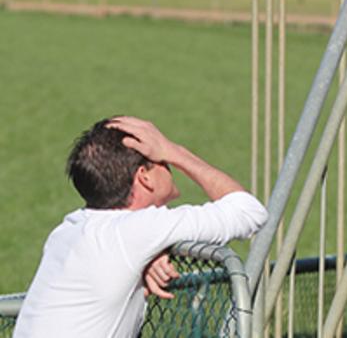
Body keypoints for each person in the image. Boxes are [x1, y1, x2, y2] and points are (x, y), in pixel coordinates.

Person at [13, 116, 268, 337]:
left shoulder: (68, 229)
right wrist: (174, 150)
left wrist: (150, 254)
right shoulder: (137, 231)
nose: (168, 165)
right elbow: (249, 211)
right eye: (161, 160)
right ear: (144, 176)